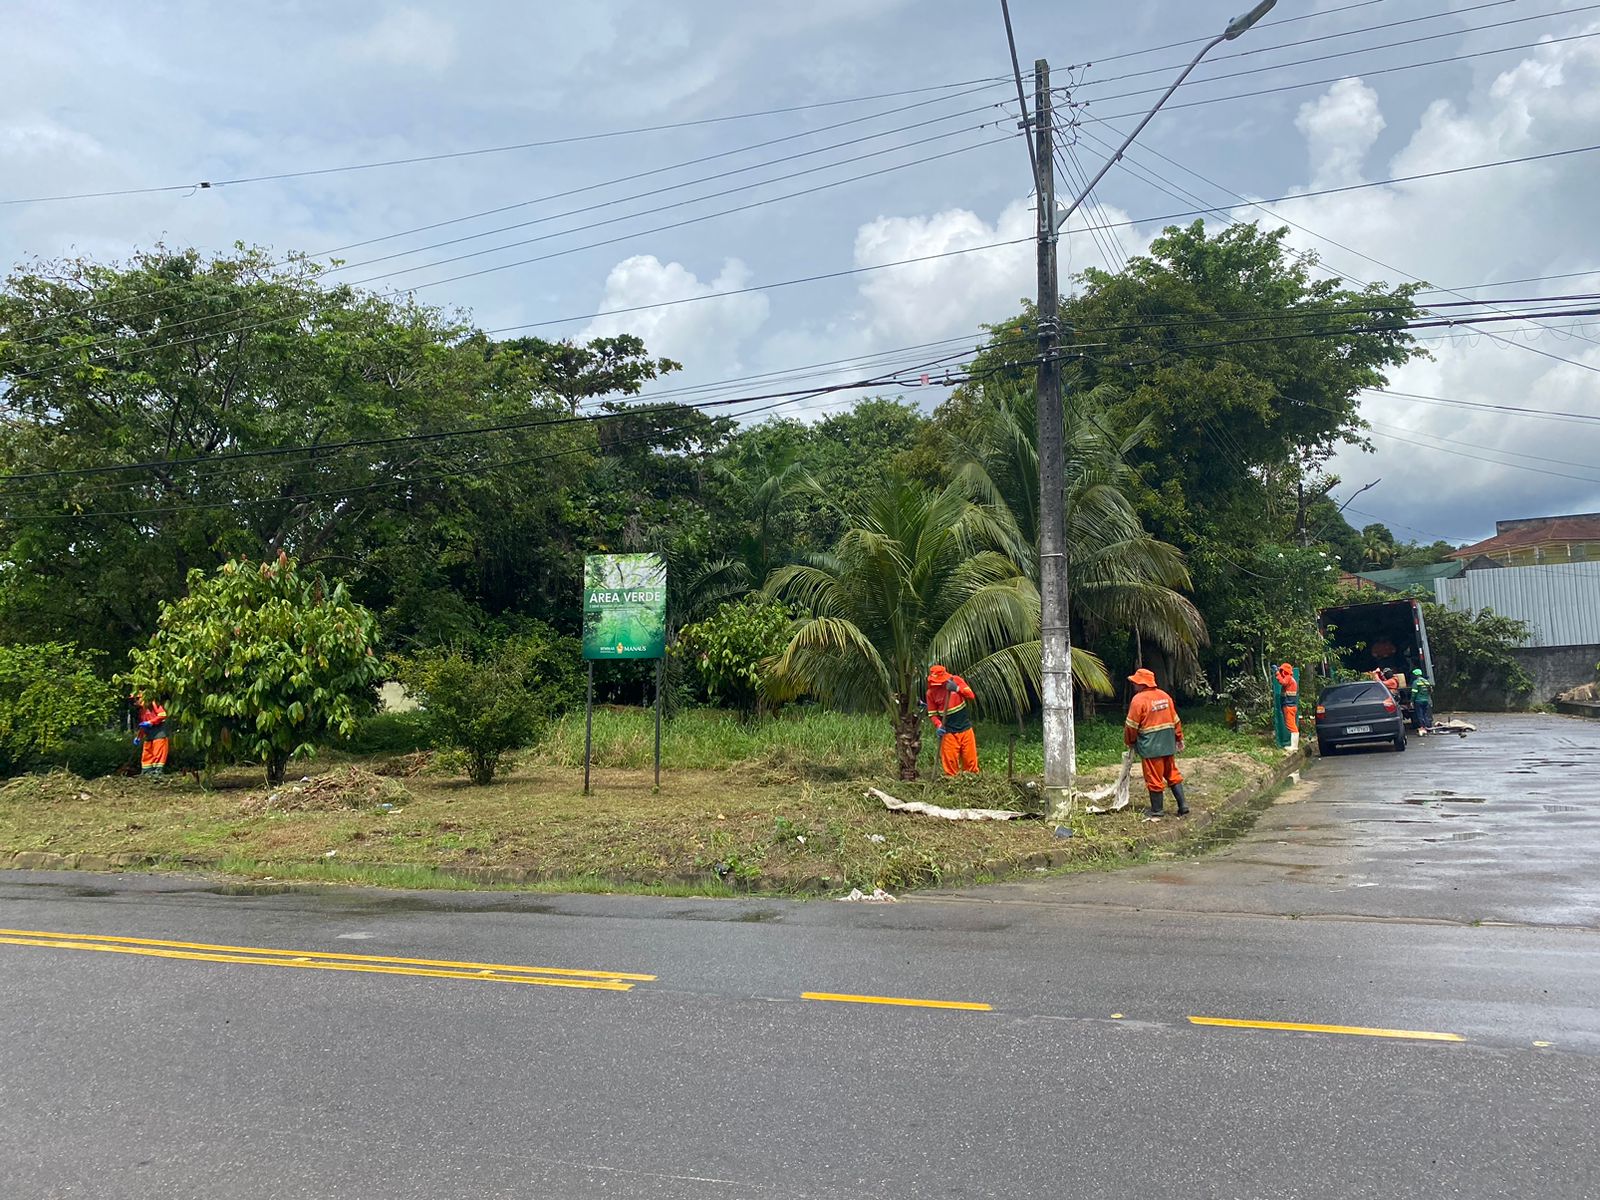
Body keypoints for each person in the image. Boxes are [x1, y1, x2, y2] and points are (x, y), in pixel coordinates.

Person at [1124, 668, 1187, 817]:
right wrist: (1179, 738)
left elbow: (1131, 725)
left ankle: (1157, 810)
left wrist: (1130, 741)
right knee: (1172, 773)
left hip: (1151, 745)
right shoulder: (1165, 696)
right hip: (1167, 742)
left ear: (1142, 684)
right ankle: (1183, 805)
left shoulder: (1138, 700)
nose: (1134, 685)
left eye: (1135, 682)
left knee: (1154, 777)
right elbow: (1176, 720)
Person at [926, 664, 978, 776]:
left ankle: (972, 782)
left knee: (970, 762)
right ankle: (952, 786)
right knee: (950, 764)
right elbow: (933, 714)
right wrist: (938, 725)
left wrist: (957, 688)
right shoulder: (931, 693)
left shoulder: (956, 680)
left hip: (965, 728)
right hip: (948, 732)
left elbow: (971, 695)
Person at [132, 693, 169, 777]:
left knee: (158, 753)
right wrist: (138, 737)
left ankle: (157, 772)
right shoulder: (141, 711)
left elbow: (162, 715)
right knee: (147, 753)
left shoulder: (153, 704)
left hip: (159, 732)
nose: (135, 702)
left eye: (136, 699)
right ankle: (146, 772)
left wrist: (151, 722)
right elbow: (143, 725)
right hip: (148, 734)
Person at [1276, 661, 1299, 750]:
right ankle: (1294, 746)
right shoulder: (1291, 679)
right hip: (1290, 706)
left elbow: (1283, 682)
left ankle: (1294, 746)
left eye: (1282, 671)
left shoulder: (1288, 678)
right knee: (1291, 724)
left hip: (1289, 706)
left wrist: (1277, 673)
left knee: (1291, 725)